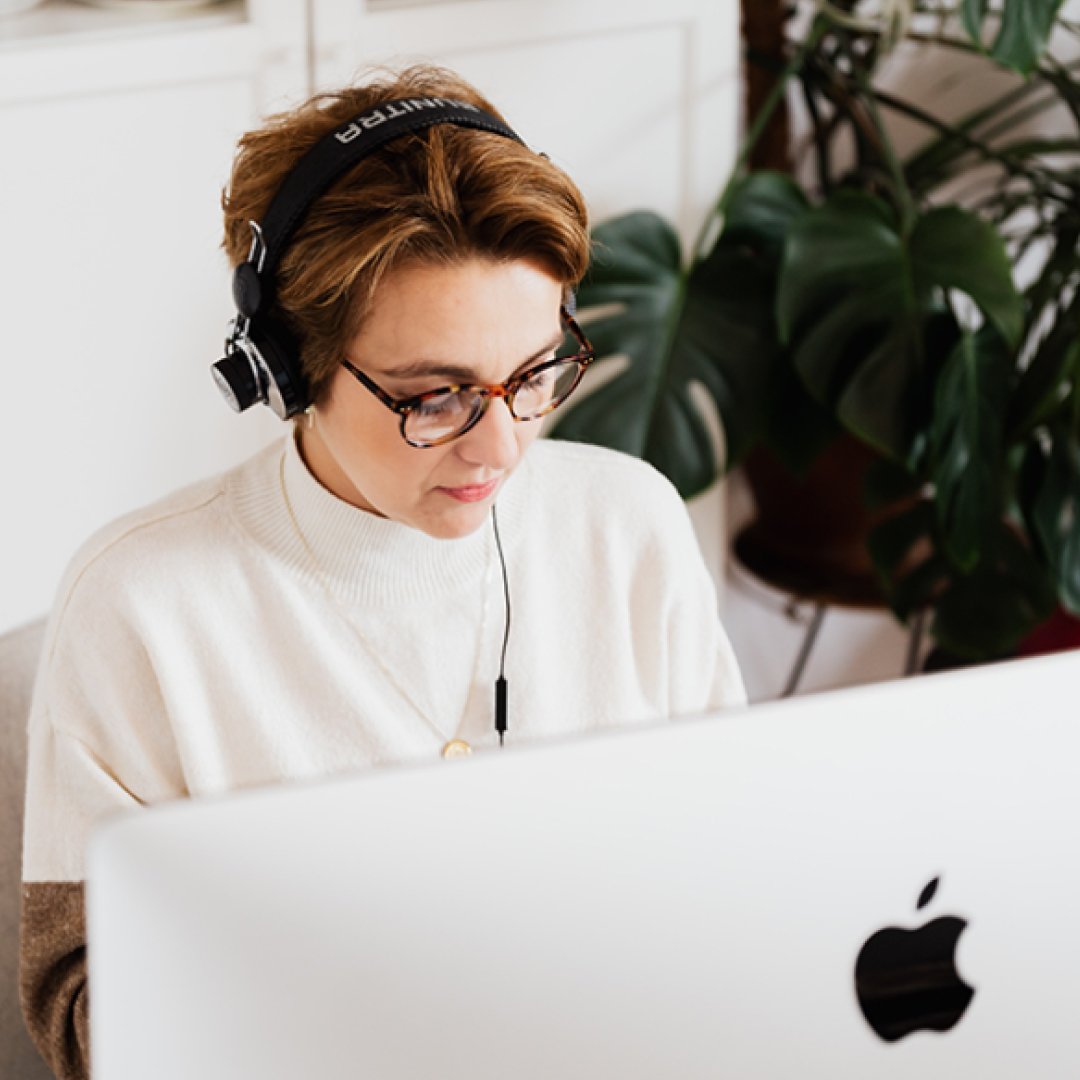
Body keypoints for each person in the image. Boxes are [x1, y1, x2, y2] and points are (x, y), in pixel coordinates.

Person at [19, 65, 746, 1079]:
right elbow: (82, 1014)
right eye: (435, 395)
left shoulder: (629, 524)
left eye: (535, 374)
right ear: (291, 368)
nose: (499, 448)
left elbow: (741, 865)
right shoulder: (144, 606)